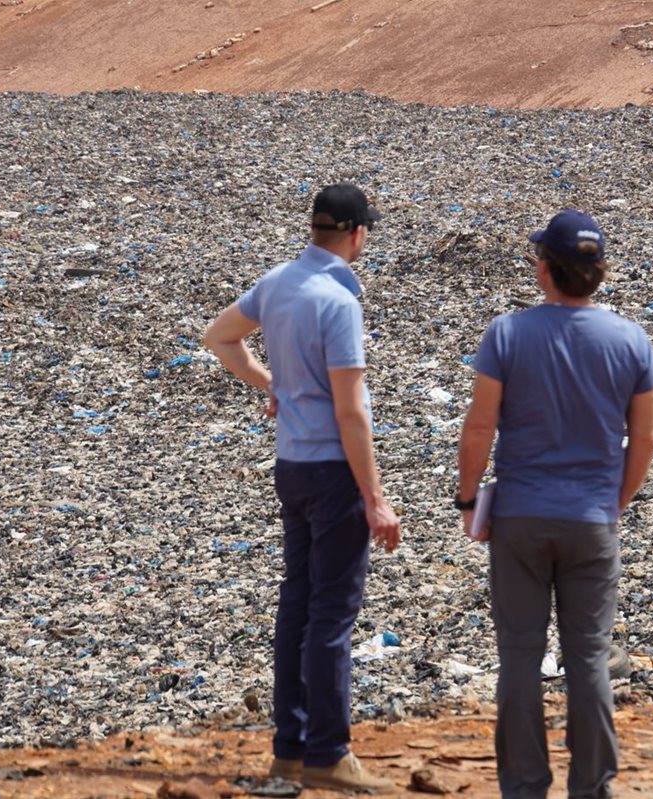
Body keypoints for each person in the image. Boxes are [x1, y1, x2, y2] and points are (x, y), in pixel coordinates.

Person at [456, 210, 653, 799]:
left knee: (519, 659)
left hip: (521, 516)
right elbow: (644, 439)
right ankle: (592, 787)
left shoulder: (508, 334)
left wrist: (469, 499)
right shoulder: (630, 340)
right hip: (592, 519)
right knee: (590, 658)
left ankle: (523, 787)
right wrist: (616, 500)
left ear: (543, 268)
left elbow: (479, 429)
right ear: (598, 274)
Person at [203, 183, 401, 794]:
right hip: (333, 471)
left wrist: (272, 386)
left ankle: (288, 753)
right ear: (357, 234)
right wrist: (375, 497)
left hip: (290, 465)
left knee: (297, 603)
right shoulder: (338, 301)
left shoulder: (279, 282)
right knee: (332, 613)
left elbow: (220, 337)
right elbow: (352, 413)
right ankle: (329, 754)